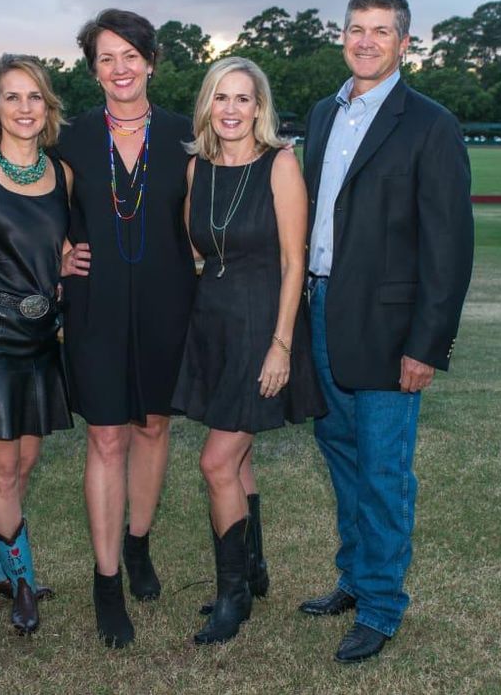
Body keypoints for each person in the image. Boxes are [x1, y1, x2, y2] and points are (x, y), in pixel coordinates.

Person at [298, 0, 474, 663]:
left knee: (383, 469)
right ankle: (352, 577)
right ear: (342, 36)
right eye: (355, 28)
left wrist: (428, 344)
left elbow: (449, 247)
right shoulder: (322, 113)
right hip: (320, 312)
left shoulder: (430, 123)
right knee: (341, 457)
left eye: (381, 30)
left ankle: (379, 603)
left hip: (388, 326)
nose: (365, 40)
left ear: (405, 42)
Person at [172, 57, 327, 644]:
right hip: (213, 325)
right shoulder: (197, 170)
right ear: (208, 106)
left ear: (260, 108)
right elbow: (198, 251)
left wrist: (281, 345)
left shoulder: (281, 165)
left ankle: (232, 595)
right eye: (221, 98)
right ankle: (253, 571)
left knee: (215, 461)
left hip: (264, 325)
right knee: (237, 460)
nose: (232, 110)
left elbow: (295, 261)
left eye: (243, 99)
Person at [55, 8, 196, 648]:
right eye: (106, 57)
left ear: (151, 61)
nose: (120, 68)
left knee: (154, 425)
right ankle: (106, 579)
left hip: (169, 303)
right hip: (96, 306)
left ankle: (138, 542)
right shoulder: (72, 137)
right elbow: (28, 204)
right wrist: (53, 253)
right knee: (107, 437)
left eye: (130, 55)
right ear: (92, 69)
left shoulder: (185, 134)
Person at [0, 54, 72, 636]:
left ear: (46, 108)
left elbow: (61, 250)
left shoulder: (63, 175)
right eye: (11, 97)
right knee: (1, 471)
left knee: (26, 461)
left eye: (34, 98)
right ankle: (22, 583)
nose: (24, 108)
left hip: (42, 340)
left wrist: (66, 263)